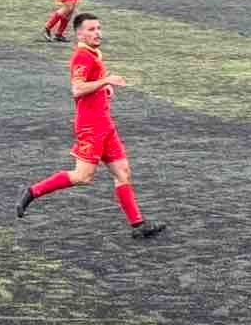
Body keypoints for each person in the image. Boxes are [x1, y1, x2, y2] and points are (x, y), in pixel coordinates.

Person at [16, 12, 166, 240]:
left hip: (105, 124)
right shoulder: (82, 56)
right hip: (91, 127)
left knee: (123, 172)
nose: (97, 33)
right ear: (79, 34)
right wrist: (106, 80)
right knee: (82, 176)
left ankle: (138, 224)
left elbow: (89, 84)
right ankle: (32, 192)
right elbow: (77, 89)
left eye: (98, 28)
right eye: (91, 29)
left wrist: (103, 87)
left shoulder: (93, 53)